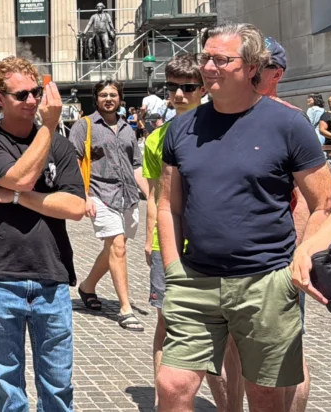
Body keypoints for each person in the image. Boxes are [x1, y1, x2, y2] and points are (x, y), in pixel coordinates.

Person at [156, 23, 331, 412]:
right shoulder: (182, 129)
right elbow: (168, 204)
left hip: (266, 281)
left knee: (266, 395)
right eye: (206, 57)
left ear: (252, 67)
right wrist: (172, 266)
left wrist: (299, 260)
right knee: (172, 385)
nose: (208, 67)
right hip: (195, 280)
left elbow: (324, 202)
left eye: (222, 59)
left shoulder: (288, 125)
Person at [0, 56, 86, 412]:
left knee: (58, 385)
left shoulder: (62, 147)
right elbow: (23, 176)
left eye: (37, 92)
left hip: (52, 276)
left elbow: (76, 208)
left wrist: (14, 197)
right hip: (4, 277)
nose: (33, 101)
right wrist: (49, 128)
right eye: (22, 95)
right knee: (8, 385)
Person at [142, 54, 239, 411]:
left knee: (222, 332)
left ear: (203, 88)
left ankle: (227, 405)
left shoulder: (222, 128)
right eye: (172, 88)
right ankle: (161, 401)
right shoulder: (156, 138)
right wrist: (150, 240)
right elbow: (155, 196)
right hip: (167, 243)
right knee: (166, 324)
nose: (179, 95)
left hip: (209, 243)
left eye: (187, 87)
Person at [254, 37, 314, 412]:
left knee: (288, 350)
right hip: (235, 257)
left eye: (257, 66)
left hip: (280, 254)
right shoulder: (230, 114)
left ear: (277, 73)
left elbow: (311, 197)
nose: (249, 72)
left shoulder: (291, 120)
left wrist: (297, 253)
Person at [68, 79, 145, 332]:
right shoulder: (84, 126)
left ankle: (87, 287)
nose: (109, 98)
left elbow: (135, 164)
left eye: (113, 94)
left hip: (127, 195)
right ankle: (125, 309)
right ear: (96, 98)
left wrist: (149, 193)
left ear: (120, 98)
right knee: (118, 247)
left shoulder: (127, 128)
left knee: (113, 247)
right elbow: (74, 162)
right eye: (103, 95)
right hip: (100, 194)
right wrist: (84, 196)